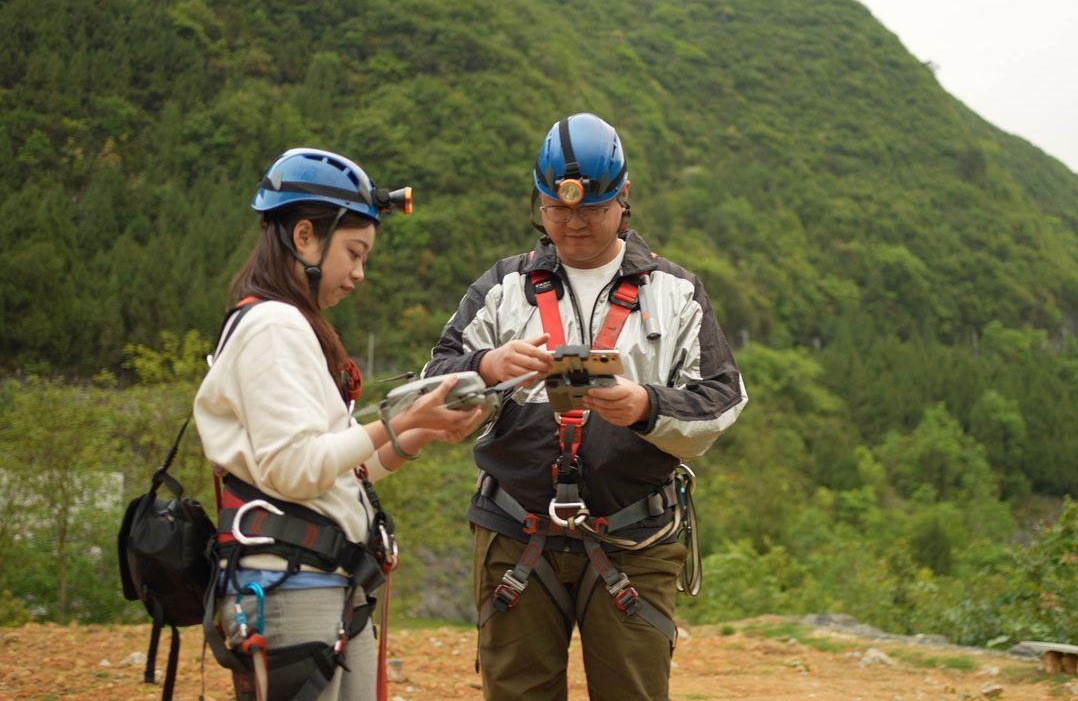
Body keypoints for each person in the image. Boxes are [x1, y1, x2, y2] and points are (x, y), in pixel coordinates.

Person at [425, 113, 748, 700]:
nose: (572, 224)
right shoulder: (502, 288)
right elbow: (433, 381)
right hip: (516, 530)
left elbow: (723, 399)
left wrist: (645, 406)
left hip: (634, 537)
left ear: (625, 198)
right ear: (539, 202)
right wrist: (487, 367)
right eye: (557, 208)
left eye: (591, 209)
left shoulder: (675, 293)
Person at [195, 147, 486, 701]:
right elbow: (296, 467)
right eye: (354, 253)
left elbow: (340, 470)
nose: (358, 274)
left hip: (320, 584)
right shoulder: (274, 327)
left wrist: (421, 430)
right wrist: (397, 421)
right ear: (305, 236)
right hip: (291, 589)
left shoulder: (289, 325)